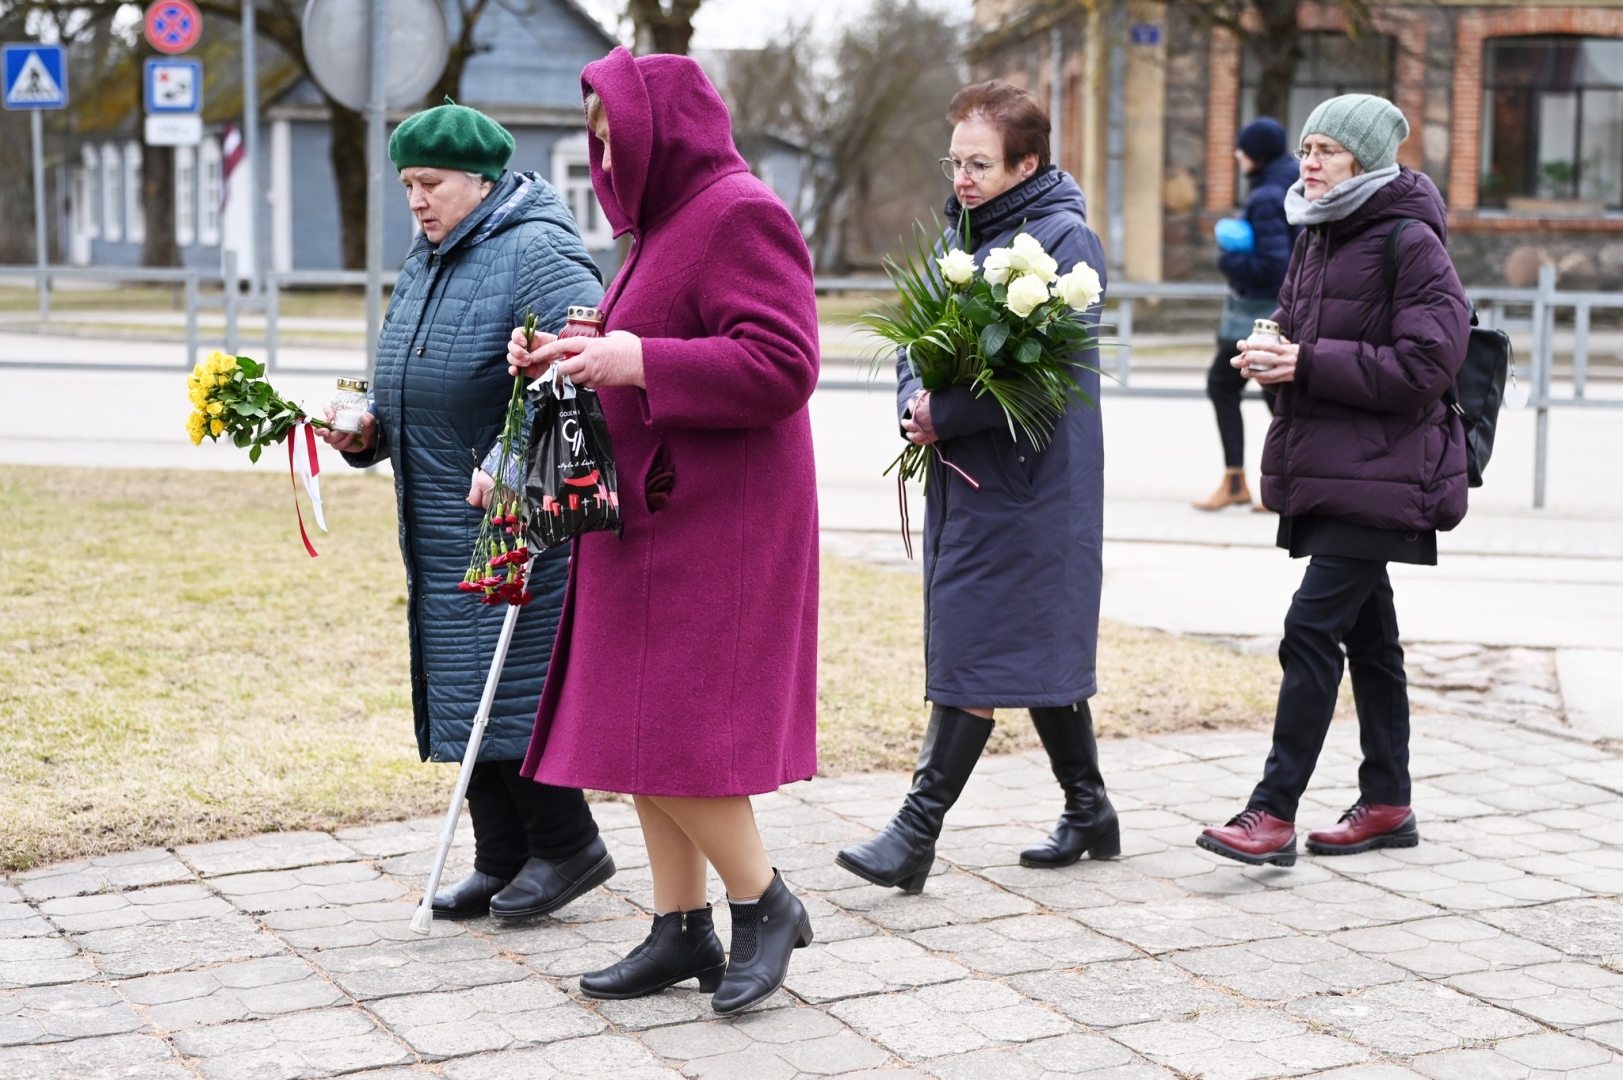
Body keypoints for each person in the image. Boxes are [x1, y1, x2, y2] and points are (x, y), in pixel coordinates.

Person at [507, 47, 820, 1017]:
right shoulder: (662, 227)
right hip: (648, 524)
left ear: (665, 130)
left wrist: (636, 359)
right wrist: (573, 352)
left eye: (616, 139)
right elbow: (651, 339)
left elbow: (783, 363)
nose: (606, 161)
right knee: (636, 729)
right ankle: (681, 926)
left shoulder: (738, 212)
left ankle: (765, 903)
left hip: (717, 529)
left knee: (675, 732)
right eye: (597, 143)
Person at [319, 102, 613, 920]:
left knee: (507, 681)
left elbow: (580, 370)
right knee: (462, 680)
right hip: (438, 508)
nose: (416, 199)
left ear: (481, 181)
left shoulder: (537, 248)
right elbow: (412, 374)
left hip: (511, 511)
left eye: (431, 182)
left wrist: (510, 461)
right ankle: (501, 854)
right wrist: (368, 429)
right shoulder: (431, 256)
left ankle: (568, 846)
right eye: (407, 184)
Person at [834, 81, 1116, 896]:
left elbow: (1047, 378)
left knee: (974, 646)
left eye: (979, 164)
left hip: (1034, 486)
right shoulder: (962, 235)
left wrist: (946, 413)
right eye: (954, 161)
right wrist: (914, 408)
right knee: (1027, 644)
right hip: (967, 477)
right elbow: (913, 347)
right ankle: (1090, 809)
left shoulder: (1064, 241)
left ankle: (913, 833)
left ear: (1026, 164)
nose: (961, 177)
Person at [1196, 94, 1471, 866]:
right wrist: (1270, 359)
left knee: (1310, 629)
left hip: (1385, 469)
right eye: (1305, 148)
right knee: (1369, 638)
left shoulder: (1409, 240)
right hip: (1336, 467)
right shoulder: (1317, 232)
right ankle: (1387, 801)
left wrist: (1306, 362)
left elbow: (1425, 364)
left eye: (1324, 150)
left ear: (1365, 159)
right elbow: (1297, 338)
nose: (1307, 163)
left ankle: (1270, 812)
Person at [1196, 118, 1299, 512]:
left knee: (1224, 384)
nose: (1238, 155)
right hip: (1281, 310)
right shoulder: (1286, 185)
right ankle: (1282, 482)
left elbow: (1273, 265)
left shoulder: (1267, 196)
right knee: (1276, 394)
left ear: (1258, 154)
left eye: (1243, 148)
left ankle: (1241, 480)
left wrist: (1229, 260)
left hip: (1261, 314)